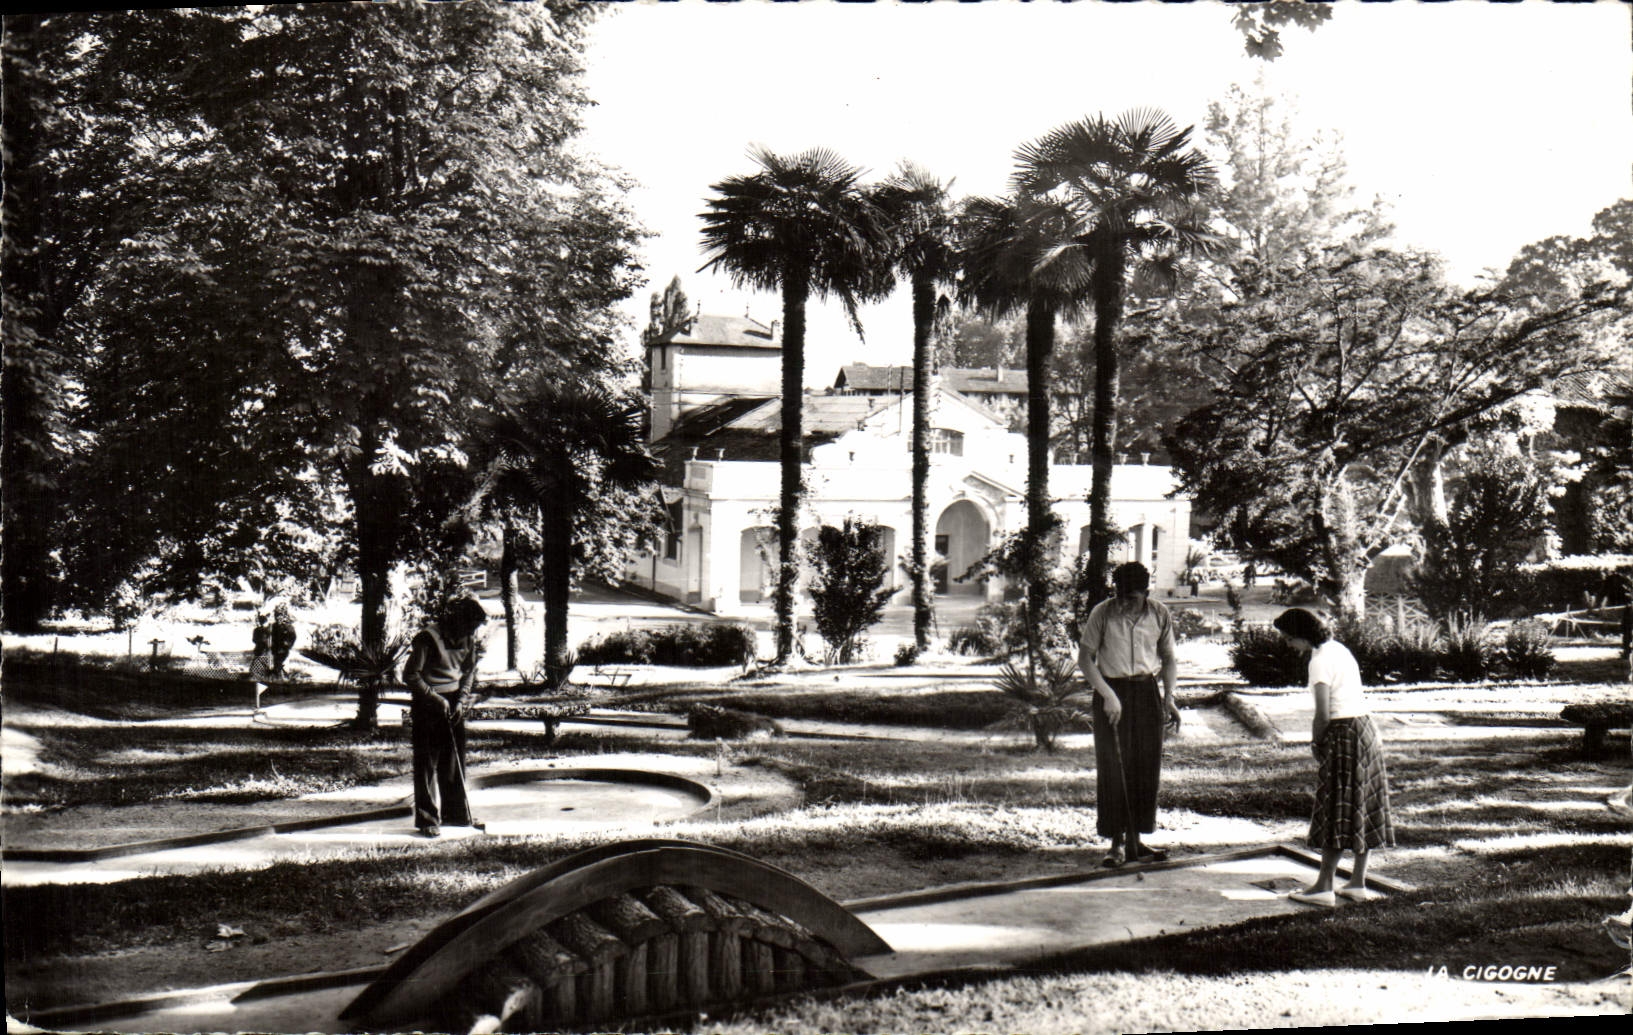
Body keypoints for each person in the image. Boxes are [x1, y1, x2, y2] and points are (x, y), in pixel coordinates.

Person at [1273, 607, 1395, 905]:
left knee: (1335, 807)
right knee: (1362, 803)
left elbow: (1323, 714)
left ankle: (1323, 887)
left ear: (1302, 635)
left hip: (1342, 734)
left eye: (1289, 639)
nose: (1289, 645)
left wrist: (1316, 742)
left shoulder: (1318, 662)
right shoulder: (1339, 649)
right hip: (1366, 730)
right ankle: (1357, 883)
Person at [1076, 562, 1182, 867]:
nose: (1124, 602)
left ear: (1146, 592)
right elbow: (1085, 659)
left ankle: (1136, 842)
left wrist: (1169, 699)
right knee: (1114, 766)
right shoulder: (1102, 612)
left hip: (1147, 692)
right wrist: (1108, 695)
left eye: (1132, 597)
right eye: (1120, 595)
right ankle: (1116, 844)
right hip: (1111, 693)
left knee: (1145, 767)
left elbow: (1169, 658)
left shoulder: (1159, 613)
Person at [402, 596, 489, 837]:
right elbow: (410, 675)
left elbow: (469, 672)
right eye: (469, 626)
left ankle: (456, 814)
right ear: (457, 620)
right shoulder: (428, 638)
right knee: (427, 763)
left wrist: (461, 700)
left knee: (453, 760)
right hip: (427, 703)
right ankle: (427, 820)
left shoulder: (468, 638)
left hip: (453, 701)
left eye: (474, 628)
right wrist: (435, 698)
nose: (471, 633)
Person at [269, 602, 298, 678]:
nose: (278, 618)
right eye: (276, 616)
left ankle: (283, 676)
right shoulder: (274, 626)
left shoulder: (288, 626)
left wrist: (287, 644)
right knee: (276, 663)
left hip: (284, 649)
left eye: (280, 616)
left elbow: (293, 637)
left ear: (284, 616)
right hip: (275, 648)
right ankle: (277, 676)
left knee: (282, 664)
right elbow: (271, 636)